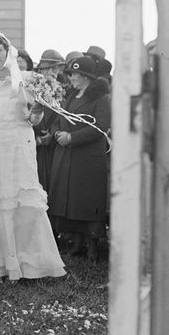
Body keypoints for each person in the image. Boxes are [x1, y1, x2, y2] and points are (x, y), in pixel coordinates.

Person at [0, 31, 65, 283]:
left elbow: (33, 120)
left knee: (22, 199)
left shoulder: (27, 78)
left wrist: (38, 110)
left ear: (8, 51)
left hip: (21, 141)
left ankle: (27, 260)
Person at [48, 55, 111, 261]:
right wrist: (57, 132)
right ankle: (76, 242)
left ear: (86, 76)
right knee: (71, 200)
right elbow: (60, 118)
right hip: (66, 156)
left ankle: (92, 245)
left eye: (74, 74)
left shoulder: (101, 98)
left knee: (87, 200)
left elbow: (100, 127)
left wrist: (72, 137)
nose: (71, 77)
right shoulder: (71, 95)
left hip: (87, 158)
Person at [33, 49, 66, 195]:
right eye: (47, 68)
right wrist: (37, 139)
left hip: (54, 146)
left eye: (55, 68)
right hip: (34, 144)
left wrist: (52, 133)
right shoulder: (31, 87)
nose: (52, 72)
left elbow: (65, 115)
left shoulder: (65, 89)